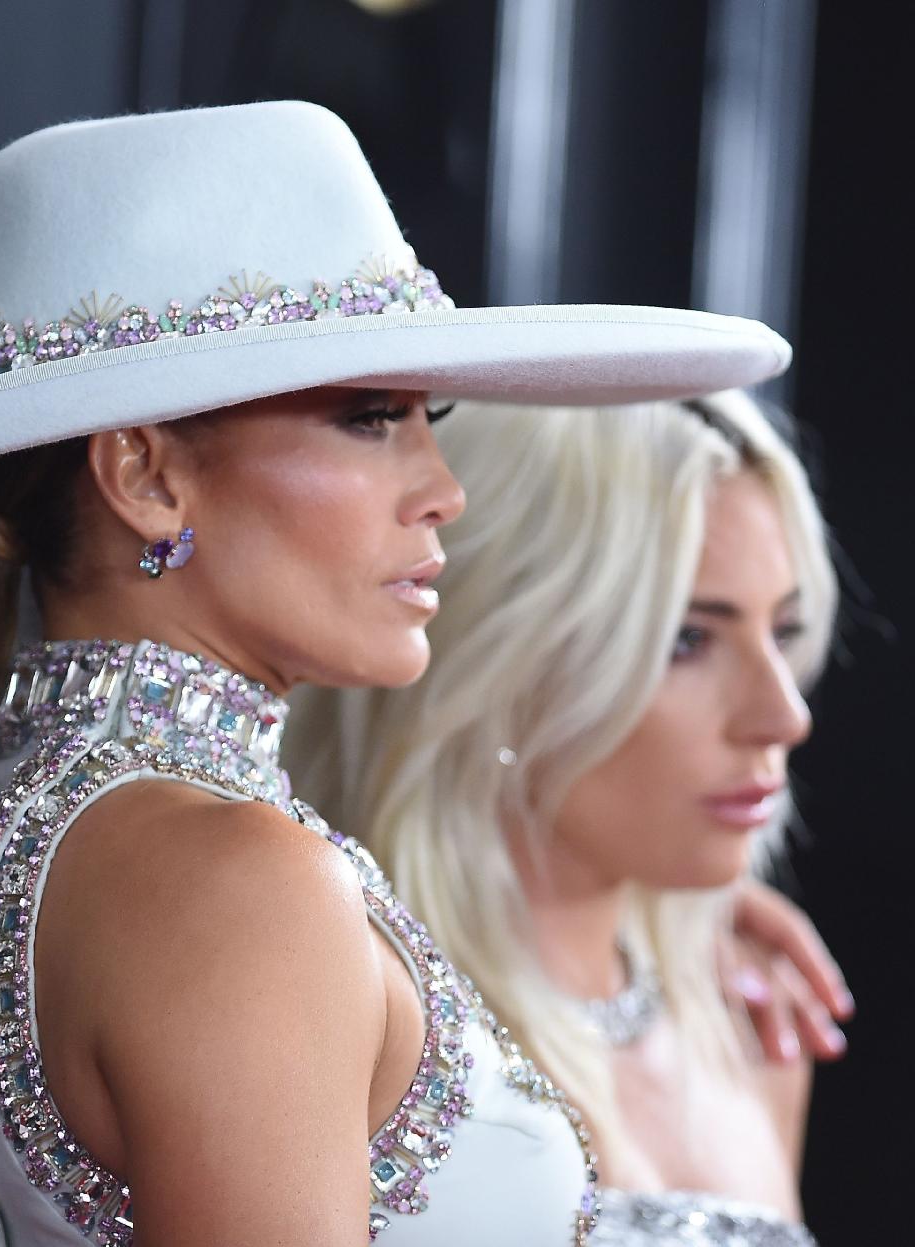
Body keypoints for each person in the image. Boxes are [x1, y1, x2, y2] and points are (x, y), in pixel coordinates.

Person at [0, 103, 825, 1246]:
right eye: (369, 416)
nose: (443, 489)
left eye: (429, 415)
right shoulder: (234, 882)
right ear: (146, 475)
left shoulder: (80, 828)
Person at [289, 389, 838, 1244]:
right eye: (687, 640)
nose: (782, 714)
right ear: (504, 660)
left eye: (785, 630)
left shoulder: (750, 1024)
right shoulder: (332, 1010)